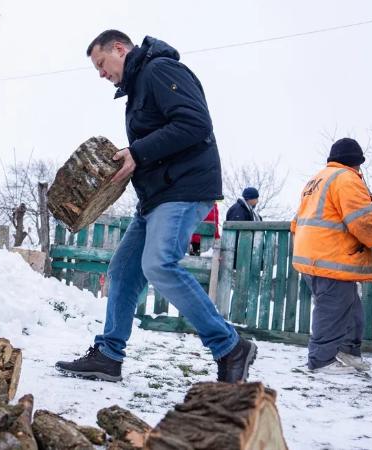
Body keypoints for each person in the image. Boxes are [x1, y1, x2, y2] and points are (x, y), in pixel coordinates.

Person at [55, 30, 256, 383]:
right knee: (124, 271)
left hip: (183, 188)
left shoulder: (160, 70)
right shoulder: (139, 87)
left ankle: (230, 345)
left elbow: (195, 124)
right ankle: (108, 355)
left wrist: (138, 152)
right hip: (156, 196)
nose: (101, 74)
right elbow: (158, 137)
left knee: (159, 264)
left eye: (102, 64)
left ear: (119, 48)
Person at [291, 138, 372, 374]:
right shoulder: (346, 179)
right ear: (357, 162)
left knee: (349, 306)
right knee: (332, 309)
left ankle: (348, 352)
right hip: (332, 258)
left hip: (314, 256)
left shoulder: (317, 179)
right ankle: (321, 361)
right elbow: (364, 222)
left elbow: (296, 221)